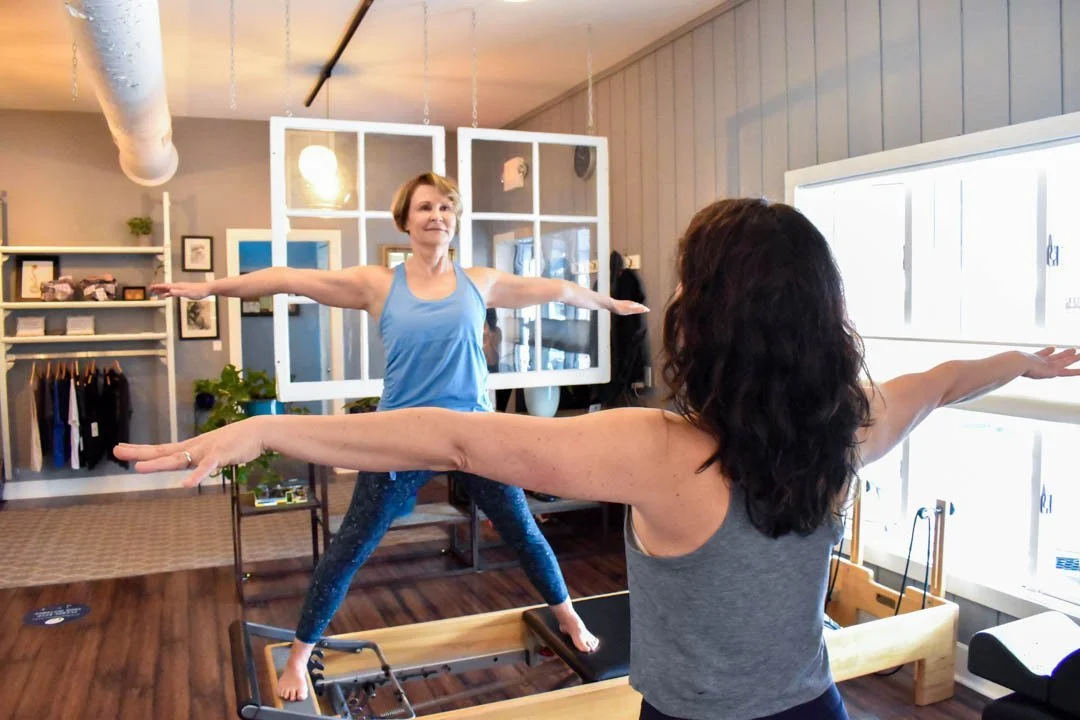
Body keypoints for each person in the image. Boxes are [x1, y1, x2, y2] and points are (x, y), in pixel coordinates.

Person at [120, 198, 1079, 720]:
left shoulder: (661, 453)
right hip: (815, 709)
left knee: (517, 532)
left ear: (706, 320)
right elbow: (948, 379)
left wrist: (267, 427)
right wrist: (1023, 362)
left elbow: (451, 434)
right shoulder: (855, 423)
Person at [148, 171, 646, 701]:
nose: (437, 216)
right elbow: (286, 278)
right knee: (350, 549)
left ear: (455, 221)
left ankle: (567, 617)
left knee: (523, 532)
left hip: (476, 436)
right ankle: (300, 655)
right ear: (405, 220)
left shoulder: (481, 282)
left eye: (447, 209)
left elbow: (559, 289)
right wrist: (206, 288)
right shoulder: (378, 284)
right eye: (426, 207)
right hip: (400, 438)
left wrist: (610, 305)